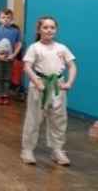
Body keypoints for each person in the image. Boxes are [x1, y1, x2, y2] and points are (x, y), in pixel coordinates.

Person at [21, 16, 77, 166]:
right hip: (39, 86)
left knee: (59, 119)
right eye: (45, 27)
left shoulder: (62, 48)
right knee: (34, 118)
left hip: (58, 86)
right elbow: (27, 66)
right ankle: (27, 149)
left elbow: (72, 66)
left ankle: (57, 149)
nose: (49, 30)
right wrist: (37, 81)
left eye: (52, 27)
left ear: (56, 29)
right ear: (39, 30)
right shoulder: (35, 47)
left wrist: (69, 82)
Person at [0, 8, 22, 105]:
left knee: (7, 77)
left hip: (9, 59)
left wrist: (14, 55)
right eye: (3, 17)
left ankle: (5, 95)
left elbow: (19, 44)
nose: (6, 19)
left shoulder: (15, 31)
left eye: (8, 17)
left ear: (12, 19)